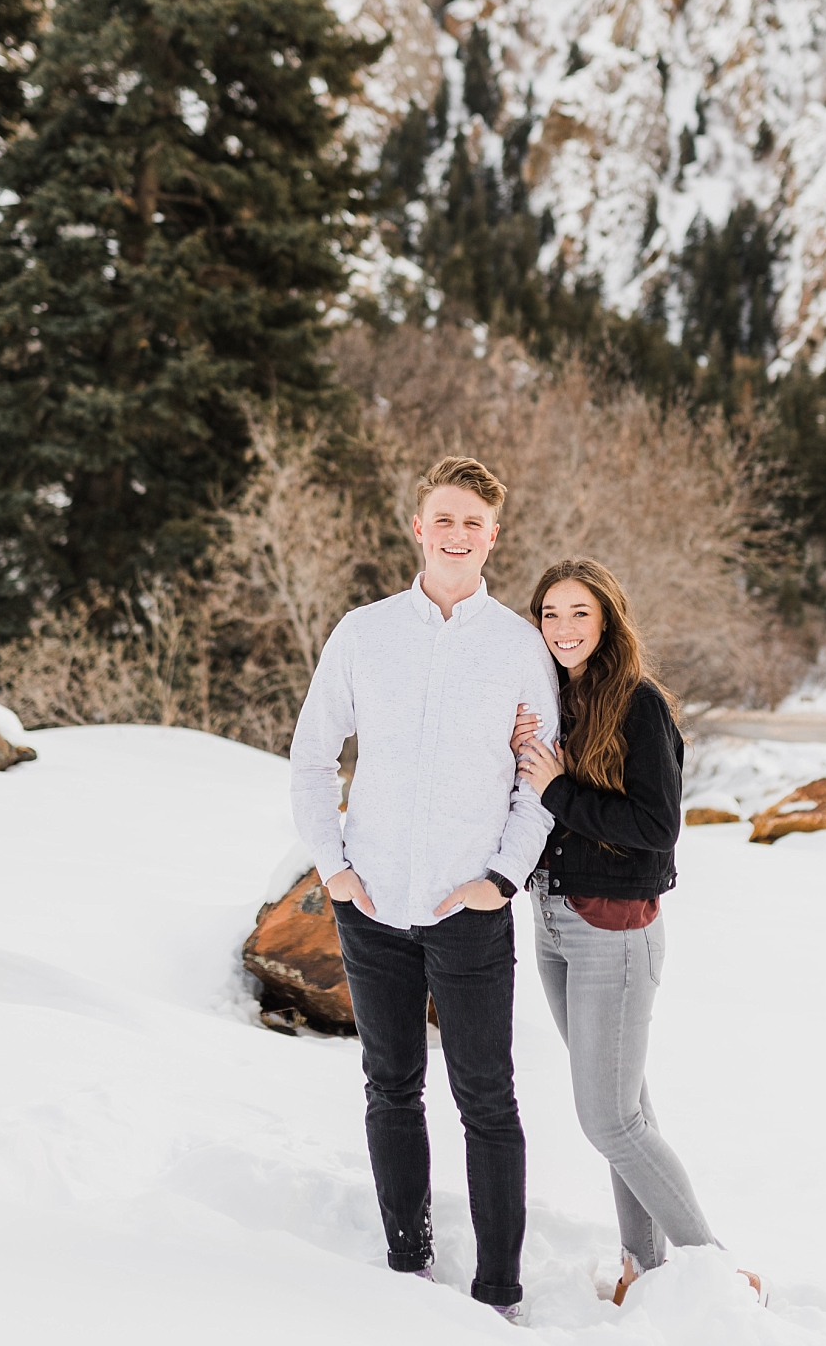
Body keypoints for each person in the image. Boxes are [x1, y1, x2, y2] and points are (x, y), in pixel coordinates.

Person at [289, 456, 560, 1320]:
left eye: (473, 523)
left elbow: (538, 784)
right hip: (372, 905)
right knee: (390, 1084)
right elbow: (310, 756)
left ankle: (499, 1292)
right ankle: (409, 1266)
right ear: (418, 527)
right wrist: (334, 868)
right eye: (444, 519)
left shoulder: (520, 647)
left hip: (467, 911)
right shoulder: (364, 633)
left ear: (493, 536)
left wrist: (500, 880)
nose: (457, 535)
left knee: (487, 1096)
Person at [510, 558, 764, 1307]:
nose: (563, 628)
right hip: (553, 920)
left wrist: (557, 789)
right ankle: (643, 1271)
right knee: (627, 1109)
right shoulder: (556, 699)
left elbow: (656, 829)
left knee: (610, 1119)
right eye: (550, 614)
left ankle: (714, 1271)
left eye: (579, 613)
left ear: (608, 620)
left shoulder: (638, 704)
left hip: (611, 928)